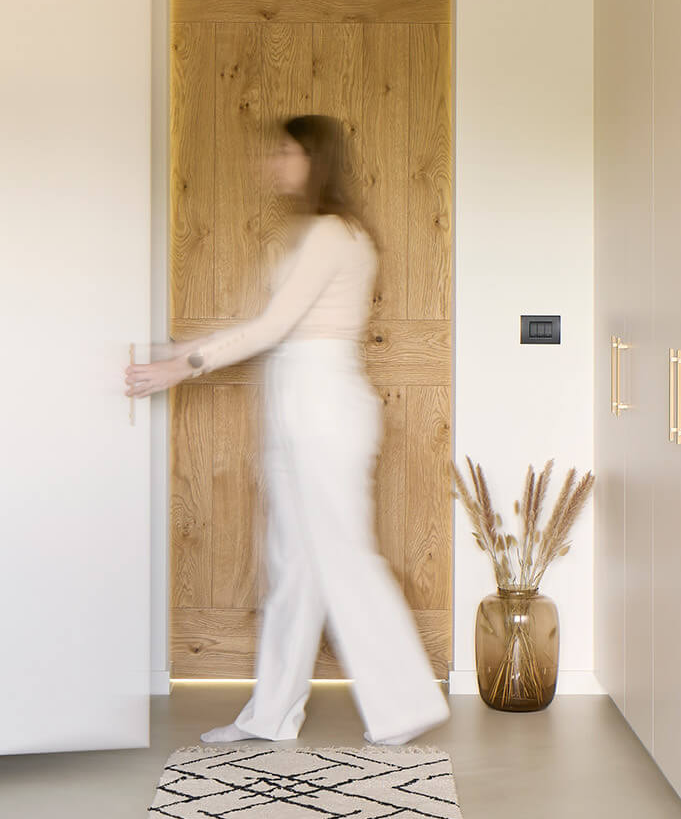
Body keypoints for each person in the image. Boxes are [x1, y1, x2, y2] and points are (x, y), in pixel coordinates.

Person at [127, 115, 450, 748]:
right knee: (293, 565)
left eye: (286, 151)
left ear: (315, 159)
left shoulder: (333, 233)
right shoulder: (316, 234)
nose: (273, 162)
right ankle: (272, 716)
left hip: (322, 403)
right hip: (299, 400)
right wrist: (174, 351)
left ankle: (406, 703)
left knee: (341, 553)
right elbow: (261, 324)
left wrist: (181, 366)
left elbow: (273, 327)